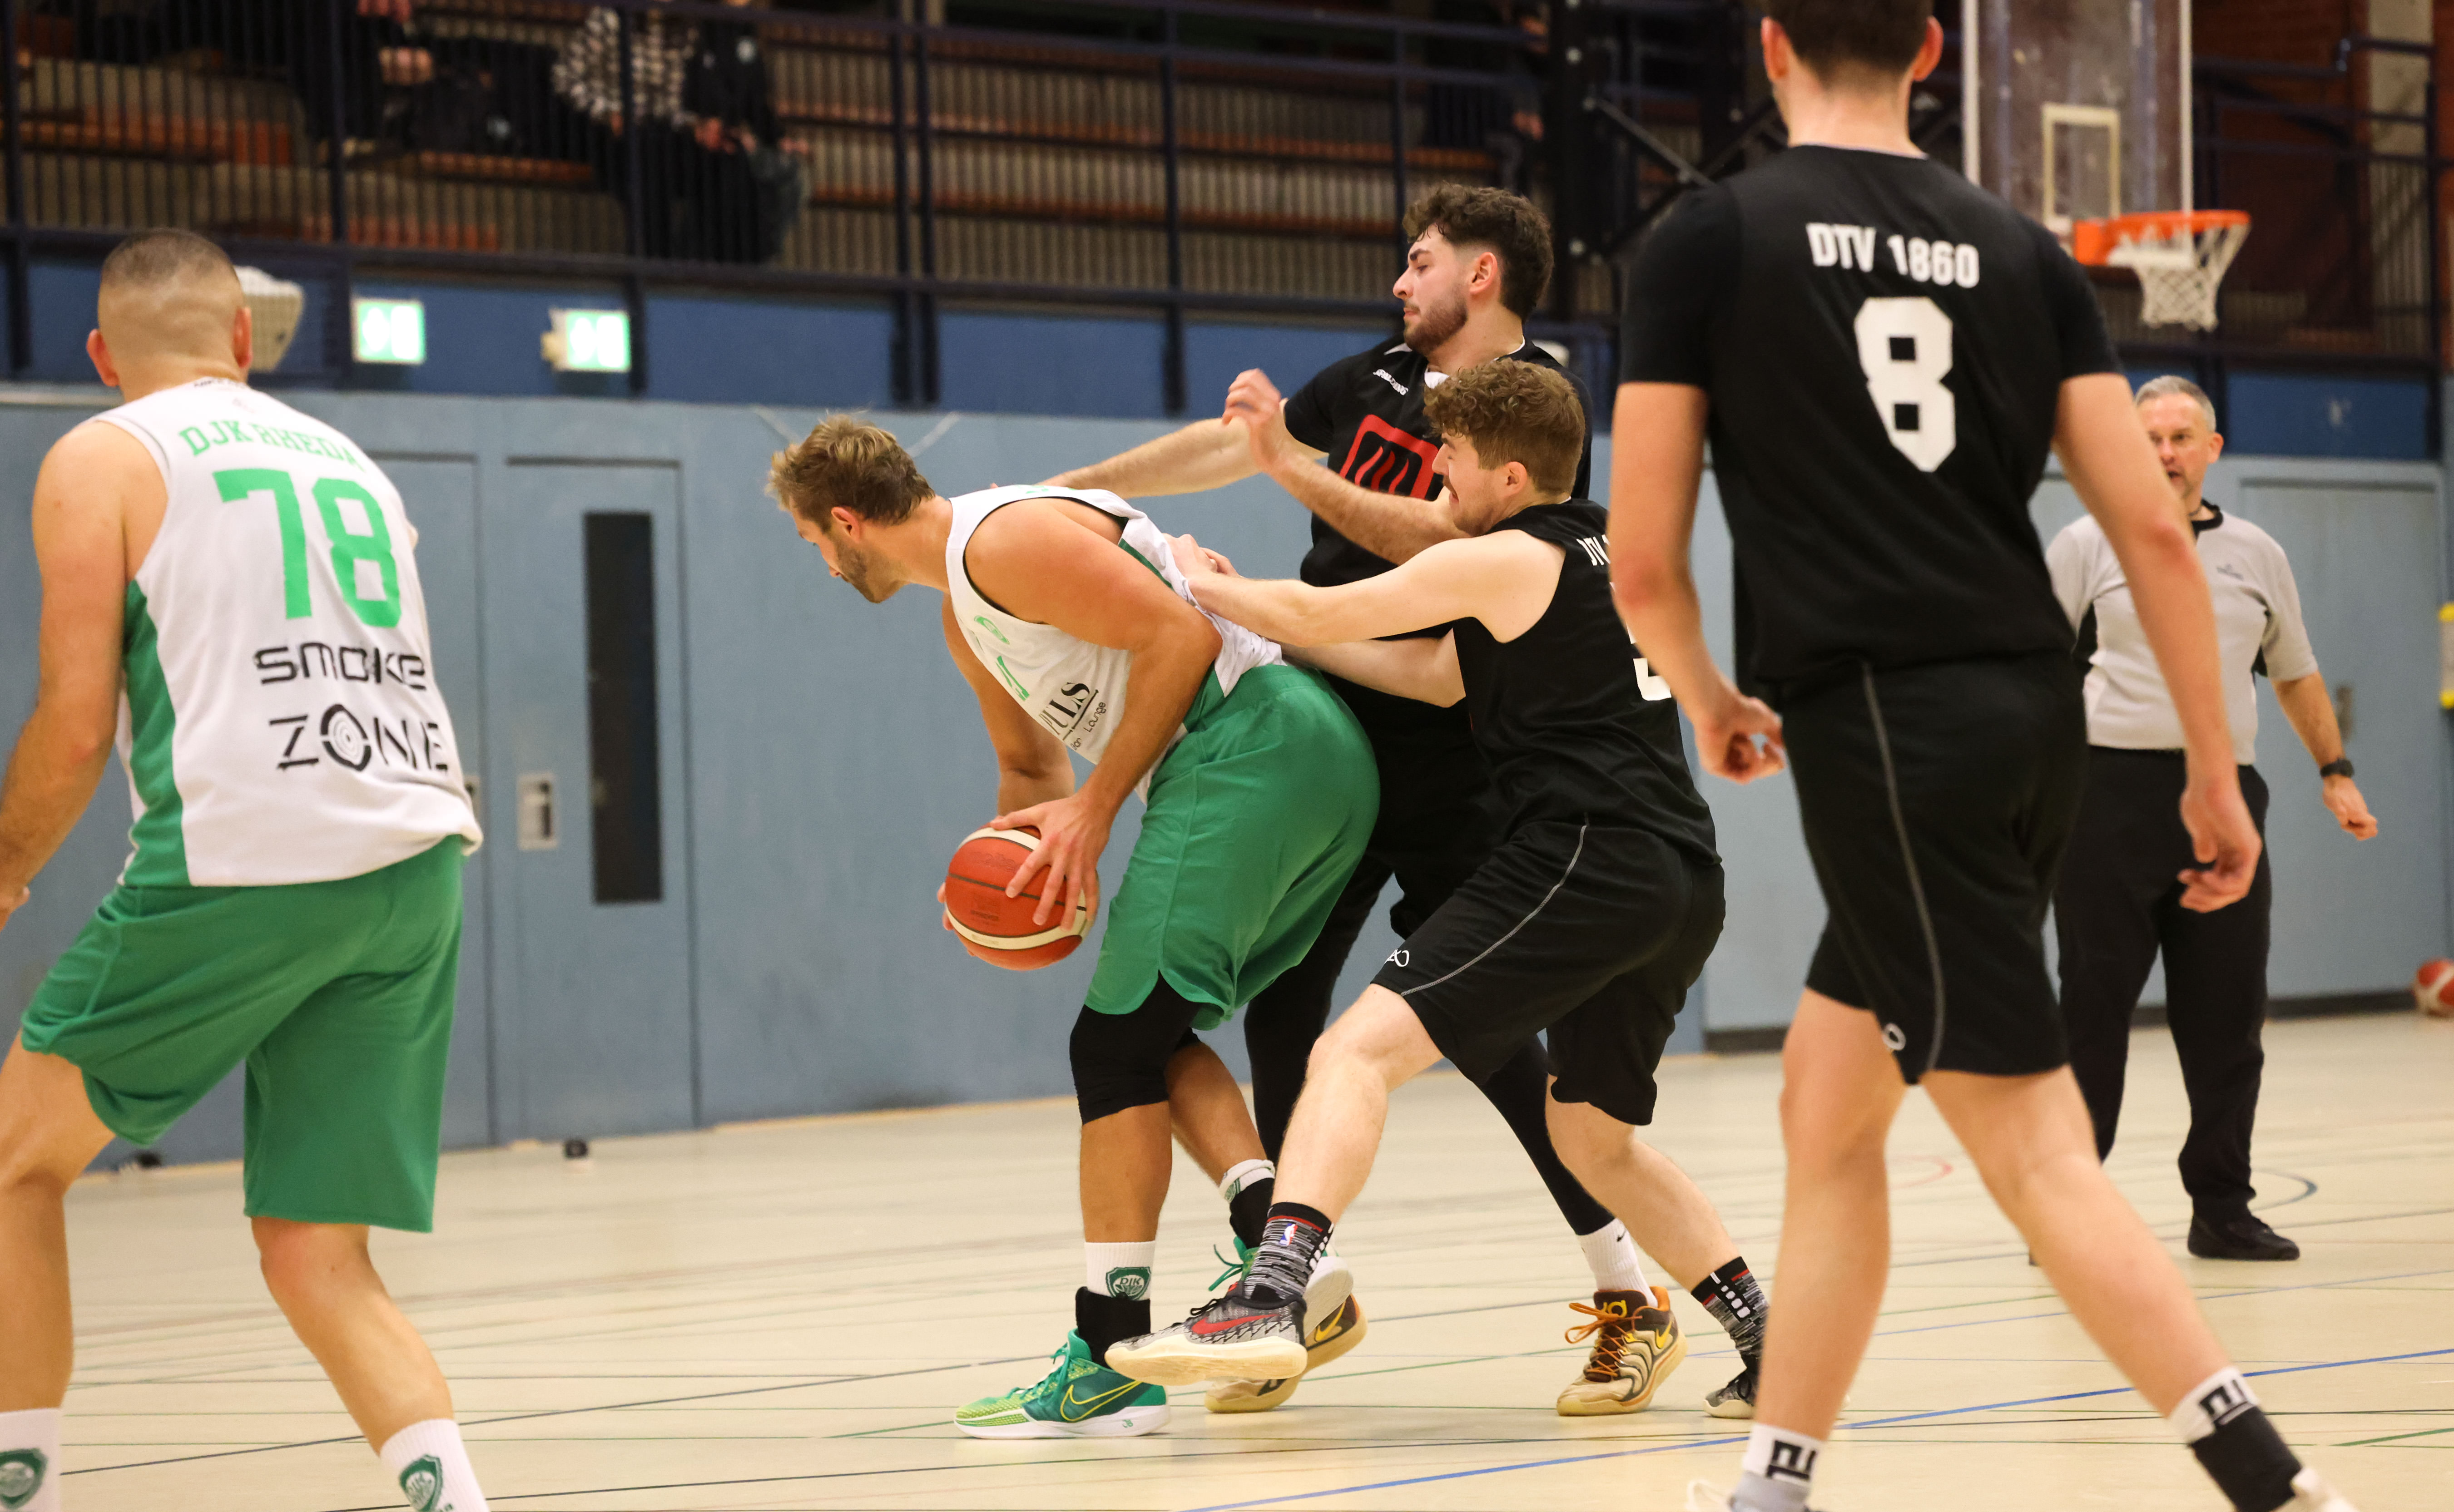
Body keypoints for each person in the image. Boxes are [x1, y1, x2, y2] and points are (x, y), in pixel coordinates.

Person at [1606, 3, 2366, 1509]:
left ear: (1769, 47)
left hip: (1887, 732)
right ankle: (1774, 1481)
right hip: (2032, 722)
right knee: (1825, 1108)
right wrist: (2213, 771)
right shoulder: (2021, 250)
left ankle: (2278, 1490)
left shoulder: (1711, 237)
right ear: (1928, 51)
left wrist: (1704, 695)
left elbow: (1641, 558)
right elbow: (2153, 533)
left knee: (2033, 1152)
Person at [1050, 185, 1766, 1418]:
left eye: (1453, 468)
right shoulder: (1595, 548)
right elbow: (1430, 672)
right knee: (1590, 1132)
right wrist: (1265, 610)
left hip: (1572, 849)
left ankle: (1270, 1292)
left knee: (1353, 1050)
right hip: (1675, 873)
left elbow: (1330, 606)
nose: (1438, 480)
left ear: (1510, 472)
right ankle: (1765, 1334)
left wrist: (1196, 579)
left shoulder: (1503, 549)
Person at [0, 230, 489, 1512]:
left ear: (101, 355)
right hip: (414, 865)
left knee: (13, 1165)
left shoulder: (101, 455)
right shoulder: (349, 460)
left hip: (245, 863)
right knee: (317, 1252)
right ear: (239, 338)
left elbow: (73, 723)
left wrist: (3, 871)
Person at [766, 418, 1378, 1439]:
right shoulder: (965, 611)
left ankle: (1120, 1355)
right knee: (1145, 1037)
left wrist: (1095, 813)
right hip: (1282, 761)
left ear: (844, 521)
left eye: (813, 543)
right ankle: (1280, 1263)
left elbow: (1180, 638)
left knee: (1113, 1045)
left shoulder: (1000, 539)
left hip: (1251, 741)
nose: (823, 566)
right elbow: (1031, 769)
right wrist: (1010, 874)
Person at [2048, 376, 2379, 1264]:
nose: (2164, 452)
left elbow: (2295, 671)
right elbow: (2033, 670)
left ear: (2211, 448)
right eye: (2148, 437)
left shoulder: (2256, 553)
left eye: (2180, 436)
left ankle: (2222, 1208)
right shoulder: (2084, 544)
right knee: (2091, 1010)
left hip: (2226, 797)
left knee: (2227, 1016)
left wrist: (2335, 772)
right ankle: (2069, 1212)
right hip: (2104, 798)